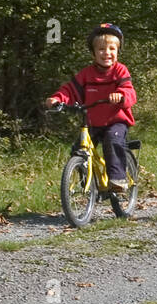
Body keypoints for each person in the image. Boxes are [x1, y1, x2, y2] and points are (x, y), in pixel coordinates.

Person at [45, 22, 136, 191]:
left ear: (118, 51)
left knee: (113, 140)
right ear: (93, 53)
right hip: (92, 122)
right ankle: (87, 182)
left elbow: (129, 92)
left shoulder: (120, 71)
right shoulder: (86, 74)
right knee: (79, 148)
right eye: (101, 49)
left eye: (111, 49)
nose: (106, 53)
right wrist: (57, 98)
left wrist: (121, 96)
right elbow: (70, 90)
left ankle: (118, 179)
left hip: (115, 120)